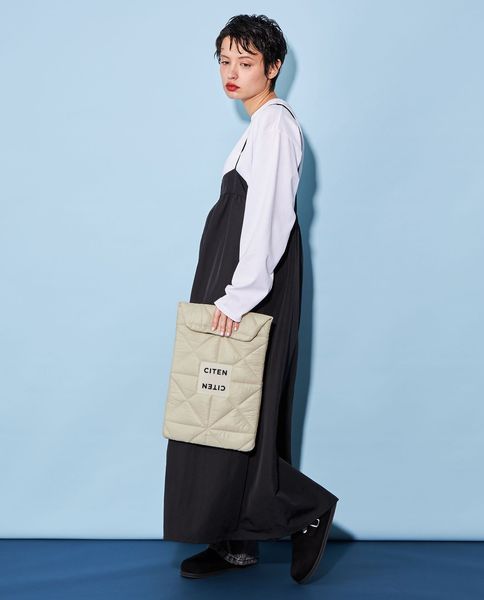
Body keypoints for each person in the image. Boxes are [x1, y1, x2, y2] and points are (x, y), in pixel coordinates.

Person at [163, 14, 339, 584]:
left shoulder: (275, 126)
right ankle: (235, 543)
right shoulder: (257, 126)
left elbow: (269, 217)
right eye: (225, 61)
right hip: (236, 278)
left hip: (250, 285)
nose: (232, 72)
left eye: (246, 61)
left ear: (274, 67)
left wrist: (239, 296)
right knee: (224, 410)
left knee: (238, 407)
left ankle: (306, 510)